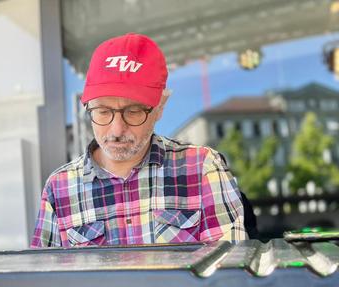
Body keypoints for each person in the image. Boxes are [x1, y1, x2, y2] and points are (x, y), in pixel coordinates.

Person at [32, 33, 247, 247]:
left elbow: (228, 274)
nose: (116, 129)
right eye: (103, 111)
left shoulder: (202, 168)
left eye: (133, 111)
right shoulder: (59, 188)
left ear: (160, 107)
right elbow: (46, 280)